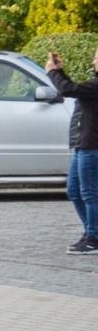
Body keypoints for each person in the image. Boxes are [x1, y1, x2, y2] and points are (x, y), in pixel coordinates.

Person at [47, 49, 98, 255]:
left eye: (96, 56)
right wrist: (60, 71)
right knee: (74, 190)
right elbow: (75, 89)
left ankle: (93, 237)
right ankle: (91, 232)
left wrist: (52, 72)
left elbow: (69, 90)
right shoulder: (93, 85)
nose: (93, 59)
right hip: (81, 144)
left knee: (89, 193)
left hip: (92, 145)